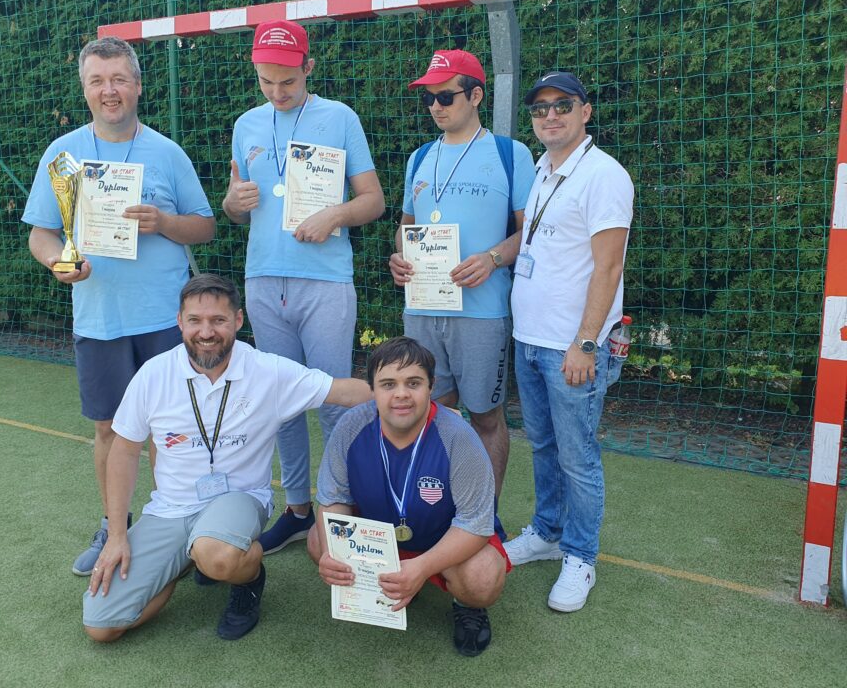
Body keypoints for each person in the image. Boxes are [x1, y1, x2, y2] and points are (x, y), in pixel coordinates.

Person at [82, 274, 373, 642]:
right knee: (102, 626)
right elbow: (123, 452)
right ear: (180, 322)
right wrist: (116, 537)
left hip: (240, 498)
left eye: (218, 320)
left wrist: (408, 396)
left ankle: (248, 578)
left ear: (237, 320)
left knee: (215, 553)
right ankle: (183, 558)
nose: (206, 332)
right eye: (195, 320)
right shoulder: (153, 374)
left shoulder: (268, 370)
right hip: (170, 509)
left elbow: (344, 392)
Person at [22, 36, 216, 576]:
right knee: (109, 430)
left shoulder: (167, 153)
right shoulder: (62, 155)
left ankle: (191, 531)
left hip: (164, 319)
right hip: (101, 319)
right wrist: (58, 262)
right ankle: (115, 528)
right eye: (97, 81)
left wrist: (164, 222)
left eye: (119, 79)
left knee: (176, 430)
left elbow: (204, 225)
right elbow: (41, 234)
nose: (109, 91)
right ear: (85, 89)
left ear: (137, 85)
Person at [223, 19, 385, 553]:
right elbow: (236, 205)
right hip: (264, 280)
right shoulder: (246, 124)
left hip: (325, 282)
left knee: (335, 401)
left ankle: (343, 508)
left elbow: (374, 200)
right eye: (267, 82)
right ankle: (297, 510)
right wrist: (233, 204)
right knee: (281, 402)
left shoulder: (340, 118)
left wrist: (334, 214)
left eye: (288, 81)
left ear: (308, 68)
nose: (277, 92)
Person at [504, 71, 634, 612]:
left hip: (571, 347)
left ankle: (580, 556)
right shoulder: (543, 171)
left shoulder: (603, 175)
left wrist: (585, 343)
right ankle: (547, 532)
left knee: (578, 457)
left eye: (562, 105)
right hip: (530, 339)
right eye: (540, 109)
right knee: (543, 445)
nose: (550, 115)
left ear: (585, 111)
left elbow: (608, 268)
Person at [388, 49, 536, 500]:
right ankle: (435, 509)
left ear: (475, 96)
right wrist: (399, 257)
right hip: (423, 308)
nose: (436, 106)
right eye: (428, 98)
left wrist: (492, 258)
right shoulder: (419, 157)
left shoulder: (511, 154)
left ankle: (483, 519)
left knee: (486, 418)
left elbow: (529, 232)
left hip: (482, 312)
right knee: (428, 413)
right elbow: (406, 228)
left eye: (446, 97)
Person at [307, 336, 510, 657]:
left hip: (443, 541)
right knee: (320, 541)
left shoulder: (458, 437)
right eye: (388, 384)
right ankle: (390, 579)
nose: (401, 393)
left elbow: (475, 525)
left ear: (431, 387)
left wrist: (422, 567)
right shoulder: (351, 427)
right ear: (372, 389)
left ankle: (466, 605)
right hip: (377, 540)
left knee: (481, 578)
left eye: (413, 383)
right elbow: (334, 500)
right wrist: (334, 553)